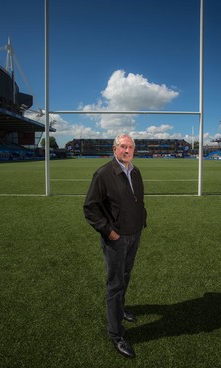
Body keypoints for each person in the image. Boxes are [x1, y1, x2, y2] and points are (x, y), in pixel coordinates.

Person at [83, 134, 147, 359]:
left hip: (134, 234)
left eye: (130, 147)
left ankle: (121, 311)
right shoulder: (103, 173)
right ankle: (116, 334)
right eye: (123, 146)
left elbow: (139, 200)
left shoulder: (135, 171)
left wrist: (142, 221)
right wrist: (109, 232)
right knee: (115, 283)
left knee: (126, 275)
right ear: (114, 149)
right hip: (116, 238)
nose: (127, 150)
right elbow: (90, 208)